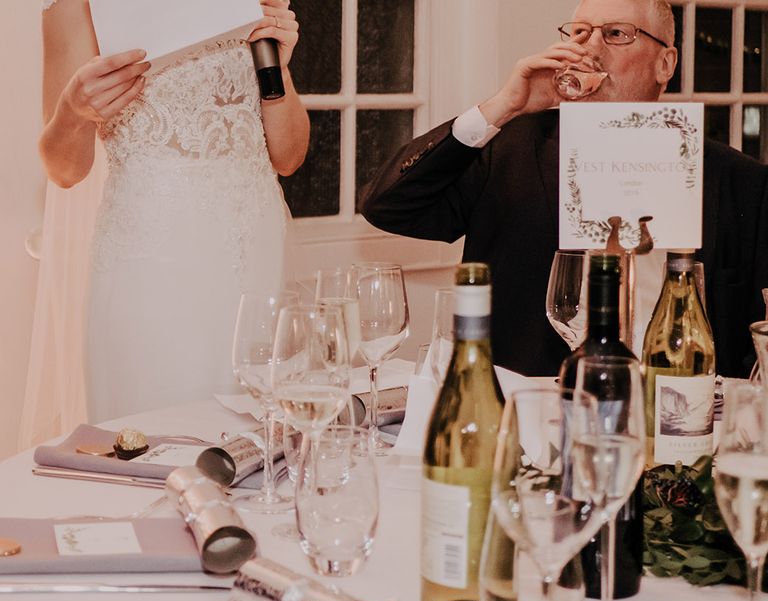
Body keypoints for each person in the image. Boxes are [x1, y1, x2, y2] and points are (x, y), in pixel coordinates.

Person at [360, 0, 768, 379]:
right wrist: (504, 105)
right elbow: (388, 206)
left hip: (678, 417)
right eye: (579, 33)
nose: (589, 48)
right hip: (533, 412)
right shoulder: (511, 147)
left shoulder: (740, 181)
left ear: (665, 63)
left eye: (615, 34)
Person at [39, 0, 309, 422]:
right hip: (153, 266)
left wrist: (282, 71)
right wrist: (75, 112)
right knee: (155, 445)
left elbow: (289, 157)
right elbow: (65, 170)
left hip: (258, 253)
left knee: (263, 452)